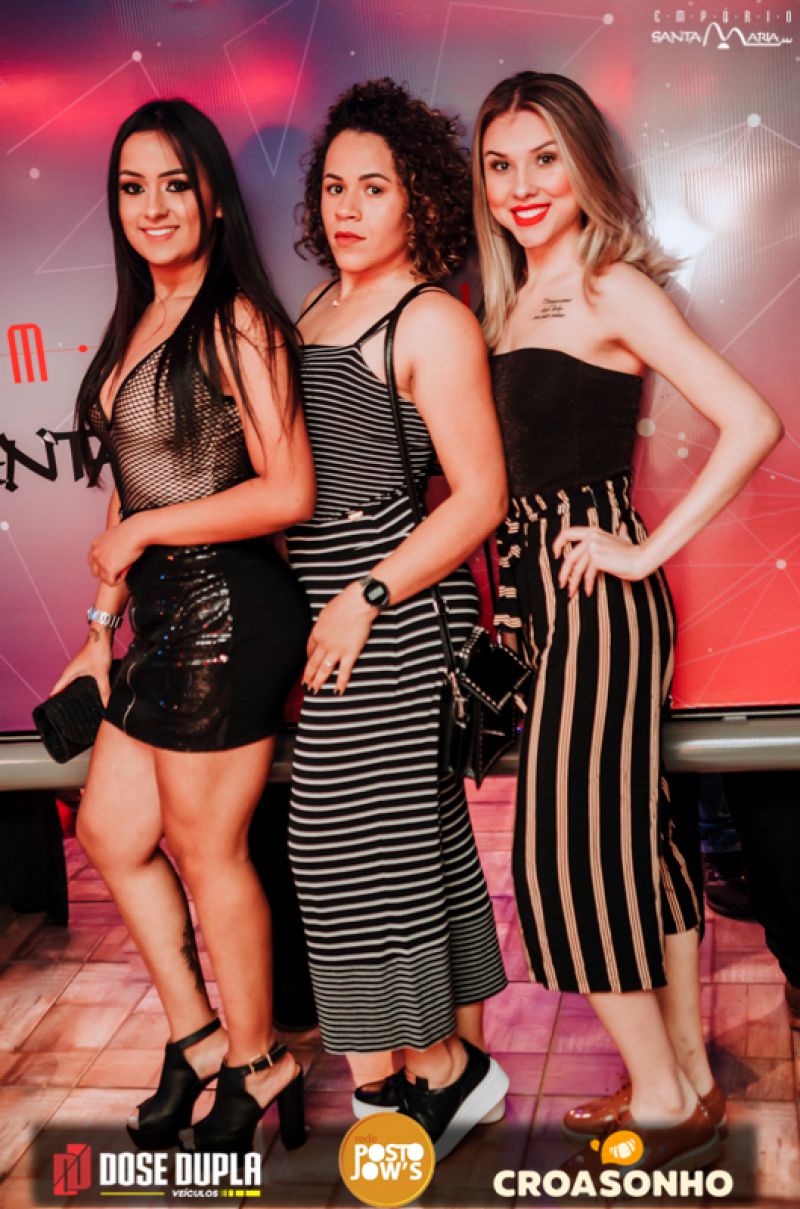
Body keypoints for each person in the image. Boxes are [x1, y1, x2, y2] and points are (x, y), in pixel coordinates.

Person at [472, 71, 783, 1173]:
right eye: (500, 164)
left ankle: (656, 1092)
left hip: (598, 600)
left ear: (585, 166)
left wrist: (642, 548)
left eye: (543, 159)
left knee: (567, 857)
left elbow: (750, 418)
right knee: (638, 845)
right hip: (536, 600)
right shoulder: (507, 297)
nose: (521, 185)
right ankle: (683, 1082)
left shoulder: (610, 286)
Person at [51, 98, 315, 1157]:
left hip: (231, 610)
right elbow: (134, 487)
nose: (152, 206)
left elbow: (288, 490)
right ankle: (200, 1039)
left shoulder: (238, 318)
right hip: (158, 613)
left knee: (209, 851)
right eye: (132, 187)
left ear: (213, 198)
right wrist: (96, 629)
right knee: (111, 833)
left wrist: (148, 528)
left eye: (174, 184)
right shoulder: (140, 318)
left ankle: (258, 1060)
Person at [287, 78, 509, 1160]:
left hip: (389, 614)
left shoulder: (430, 318)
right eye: (335, 186)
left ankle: (432, 1074)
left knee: (352, 850)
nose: (347, 206)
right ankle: (416, 1075)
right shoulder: (313, 307)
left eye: (373, 187)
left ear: (417, 198)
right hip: (324, 611)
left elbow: (478, 498)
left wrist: (364, 595)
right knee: (402, 846)